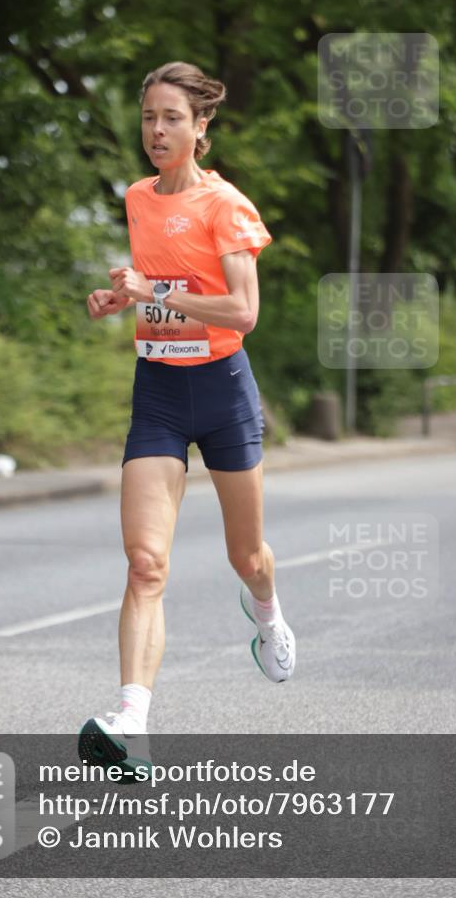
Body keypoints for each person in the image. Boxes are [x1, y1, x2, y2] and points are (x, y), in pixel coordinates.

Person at [78, 61, 295, 770]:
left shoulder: (225, 205)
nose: (157, 130)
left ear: (200, 128)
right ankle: (130, 722)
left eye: (172, 117)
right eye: (148, 117)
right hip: (160, 392)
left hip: (225, 389)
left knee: (247, 557)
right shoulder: (138, 198)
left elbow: (243, 311)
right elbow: (156, 288)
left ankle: (266, 611)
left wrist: (155, 297)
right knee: (144, 564)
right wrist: (124, 298)